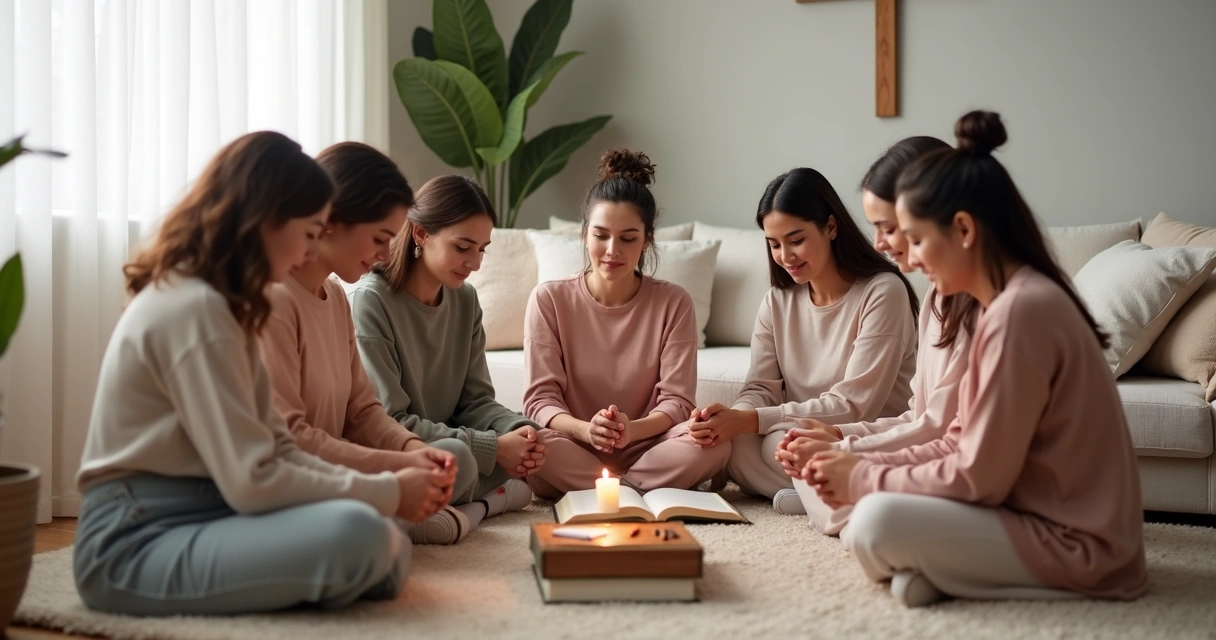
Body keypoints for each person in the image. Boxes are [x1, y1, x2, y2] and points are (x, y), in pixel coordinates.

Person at [74, 132, 454, 615]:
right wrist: (390, 491)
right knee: (362, 536)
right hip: (132, 540)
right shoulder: (197, 311)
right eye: (310, 232)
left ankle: (337, 568)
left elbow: (280, 449)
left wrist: (392, 485)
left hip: (210, 514)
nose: (308, 252)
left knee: (371, 530)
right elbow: (254, 480)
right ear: (267, 220)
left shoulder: (225, 308)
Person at [806, 111, 1148, 607]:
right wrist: (856, 460)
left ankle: (959, 573)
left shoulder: (1020, 312)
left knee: (874, 522)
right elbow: (958, 442)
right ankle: (950, 573)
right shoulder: (1008, 305)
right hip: (1028, 514)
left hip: (1083, 547)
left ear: (963, 229)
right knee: (873, 508)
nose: (913, 258)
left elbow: (977, 478)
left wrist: (860, 476)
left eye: (917, 239)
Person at [690, 167, 919, 512]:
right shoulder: (777, 300)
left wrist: (751, 421)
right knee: (736, 446)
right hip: (795, 434)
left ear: (830, 226)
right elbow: (760, 388)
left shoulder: (883, 292)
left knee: (778, 444)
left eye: (796, 240)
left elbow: (854, 406)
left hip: (857, 436)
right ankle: (814, 494)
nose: (785, 257)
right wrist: (729, 418)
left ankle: (823, 490)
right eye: (774, 244)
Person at [349, 174, 541, 544]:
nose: (475, 263)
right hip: (401, 449)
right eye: (463, 247)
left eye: (482, 249)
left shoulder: (465, 299)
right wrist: (494, 450)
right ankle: (488, 504)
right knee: (461, 460)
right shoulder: (371, 302)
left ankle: (462, 509)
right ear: (420, 234)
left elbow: (476, 401)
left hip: (448, 445)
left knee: (506, 449)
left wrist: (519, 430)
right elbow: (390, 421)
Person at [524, 149, 727, 496]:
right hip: (575, 441)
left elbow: (677, 402)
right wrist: (587, 430)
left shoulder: (674, 302)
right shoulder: (549, 300)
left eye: (628, 238)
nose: (612, 250)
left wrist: (630, 430)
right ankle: (638, 489)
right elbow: (541, 400)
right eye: (601, 235)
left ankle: (608, 489)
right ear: (584, 234)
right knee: (533, 443)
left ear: (647, 239)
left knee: (716, 443)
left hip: (648, 444)